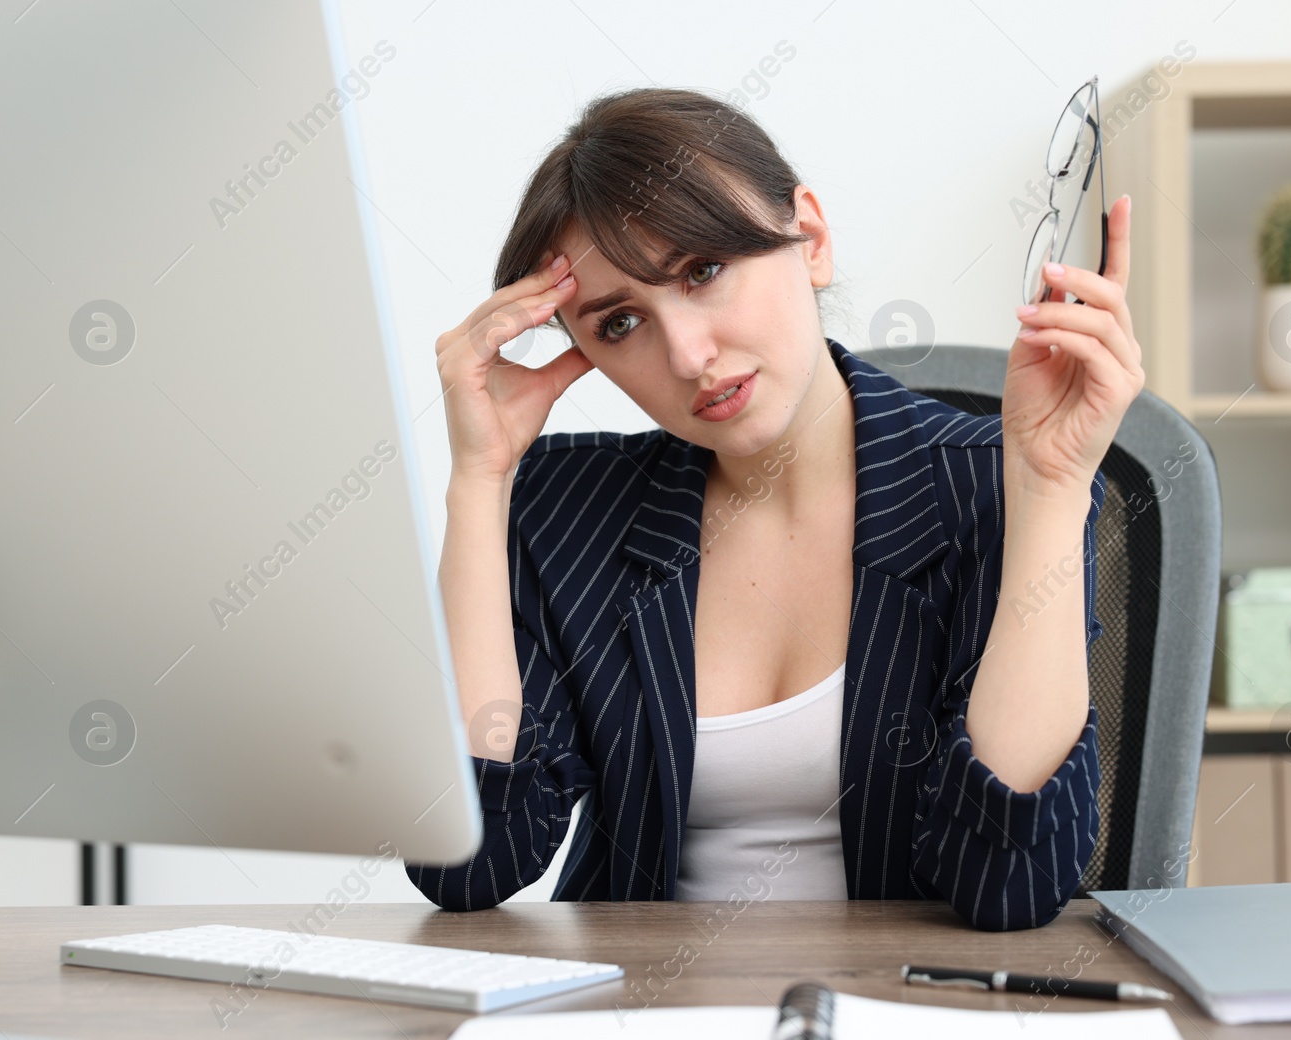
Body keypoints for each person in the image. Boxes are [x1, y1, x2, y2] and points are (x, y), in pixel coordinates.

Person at [408, 86, 1144, 930]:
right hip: (642, 1023)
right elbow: (467, 863)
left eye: (704, 271)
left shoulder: (992, 485)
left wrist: (1050, 492)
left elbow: (1008, 884)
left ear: (811, 238)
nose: (687, 354)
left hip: (908, 1019)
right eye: (619, 323)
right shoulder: (569, 511)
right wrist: (479, 478)